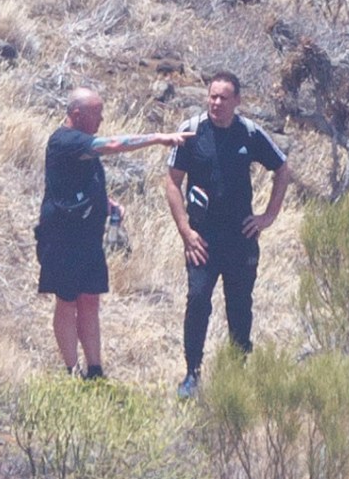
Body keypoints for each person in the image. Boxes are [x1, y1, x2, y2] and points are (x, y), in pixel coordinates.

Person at [36, 87, 194, 380]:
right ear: (77, 114)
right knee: (67, 300)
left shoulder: (79, 143)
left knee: (90, 299)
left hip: (87, 236)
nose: (102, 118)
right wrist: (156, 138)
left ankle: (95, 370)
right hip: (62, 236)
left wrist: (105, 203)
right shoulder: (65, 140)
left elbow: (72, 181)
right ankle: (71, 370)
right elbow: (111, 144)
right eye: (97, 113)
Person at [165, 70, 293, 398]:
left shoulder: (249, 133)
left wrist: (267, 217)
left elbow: (282, 170)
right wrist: (185, 231)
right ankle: (192, 374)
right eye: (212, 96)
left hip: (240, 238)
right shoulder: (191, 131)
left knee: (239, 305)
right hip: (202, 241)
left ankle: (238, 374)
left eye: (224, 97)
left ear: (237, 101)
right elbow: (172, 182)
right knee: (197, 301)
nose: (216, 103)